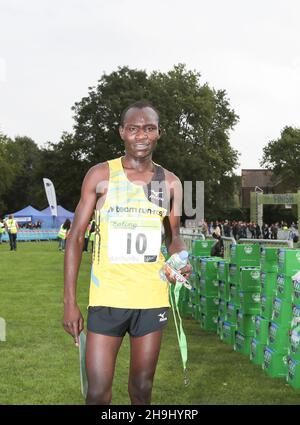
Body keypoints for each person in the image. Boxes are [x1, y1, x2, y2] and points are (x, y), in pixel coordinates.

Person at [62, 101, 192, 405]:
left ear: (159, 133)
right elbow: (75, 238)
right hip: (107, 297)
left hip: (151, 298)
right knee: (97, 393)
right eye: (133, 128)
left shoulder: (169, 182)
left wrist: (181, 260)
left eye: (148, 128)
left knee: (142, 390)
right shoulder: (99, 176)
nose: (141, 135)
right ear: (122, 132)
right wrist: (70, 302)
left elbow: (174, 237)